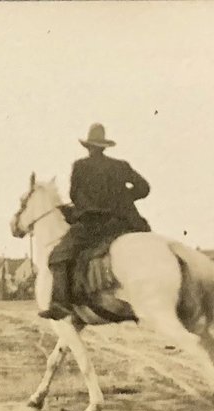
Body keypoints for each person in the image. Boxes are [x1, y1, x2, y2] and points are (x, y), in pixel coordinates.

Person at [39, 124, 151, 320]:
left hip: (93, 226)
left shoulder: (80, 166)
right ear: (104, 147)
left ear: (89, 147)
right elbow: (144, 188)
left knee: (58, 255)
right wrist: (123, 198)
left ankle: (60, 304)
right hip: (123, 225)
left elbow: (75, 196)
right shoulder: (120, 166)